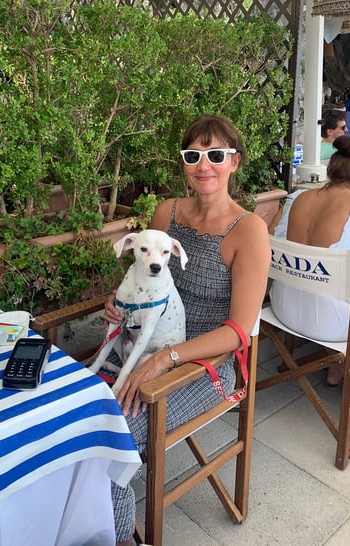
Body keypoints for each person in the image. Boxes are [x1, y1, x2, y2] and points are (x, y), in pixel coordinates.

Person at [104, 114, 270, 545]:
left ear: (234, 161)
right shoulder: (168, 212)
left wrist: (166, 358)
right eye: (193, 155)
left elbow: (238, 330)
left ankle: (122, 538)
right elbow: (147, 278)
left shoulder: (249, 230)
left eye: (215, 154)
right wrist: (119, 304)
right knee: (71, 414)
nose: (204, 164)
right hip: (146, 345)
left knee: (107, 440)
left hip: (208, 368)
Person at [270, 135, 350, 394]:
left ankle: (335, 366)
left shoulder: (296, 198)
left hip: (283, 307)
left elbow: (270, 239)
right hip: (335, 325)